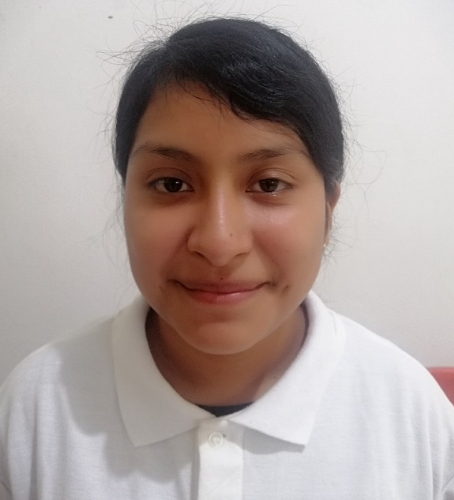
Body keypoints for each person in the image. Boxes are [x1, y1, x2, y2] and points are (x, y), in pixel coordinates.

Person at [0, 17, 453, 500]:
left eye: (269, 184)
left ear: (328, 209)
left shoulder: (413, 415)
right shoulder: (36, 407)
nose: (219, 243)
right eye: (172, 183)